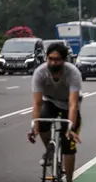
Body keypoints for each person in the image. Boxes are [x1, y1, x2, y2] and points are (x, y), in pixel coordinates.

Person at [28, 43, 82, 182]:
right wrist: (35, 127)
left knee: (68, 143)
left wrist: (70, 128)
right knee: (41, 121)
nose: (53, 62)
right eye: (50, 58)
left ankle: (69, 178)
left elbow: (73, 103)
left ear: (64, 60)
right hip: (49, 101)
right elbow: (37, 103)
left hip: (68, 105)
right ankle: (50, 150)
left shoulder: (72, 72)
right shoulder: (40, 72)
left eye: (57, 59)